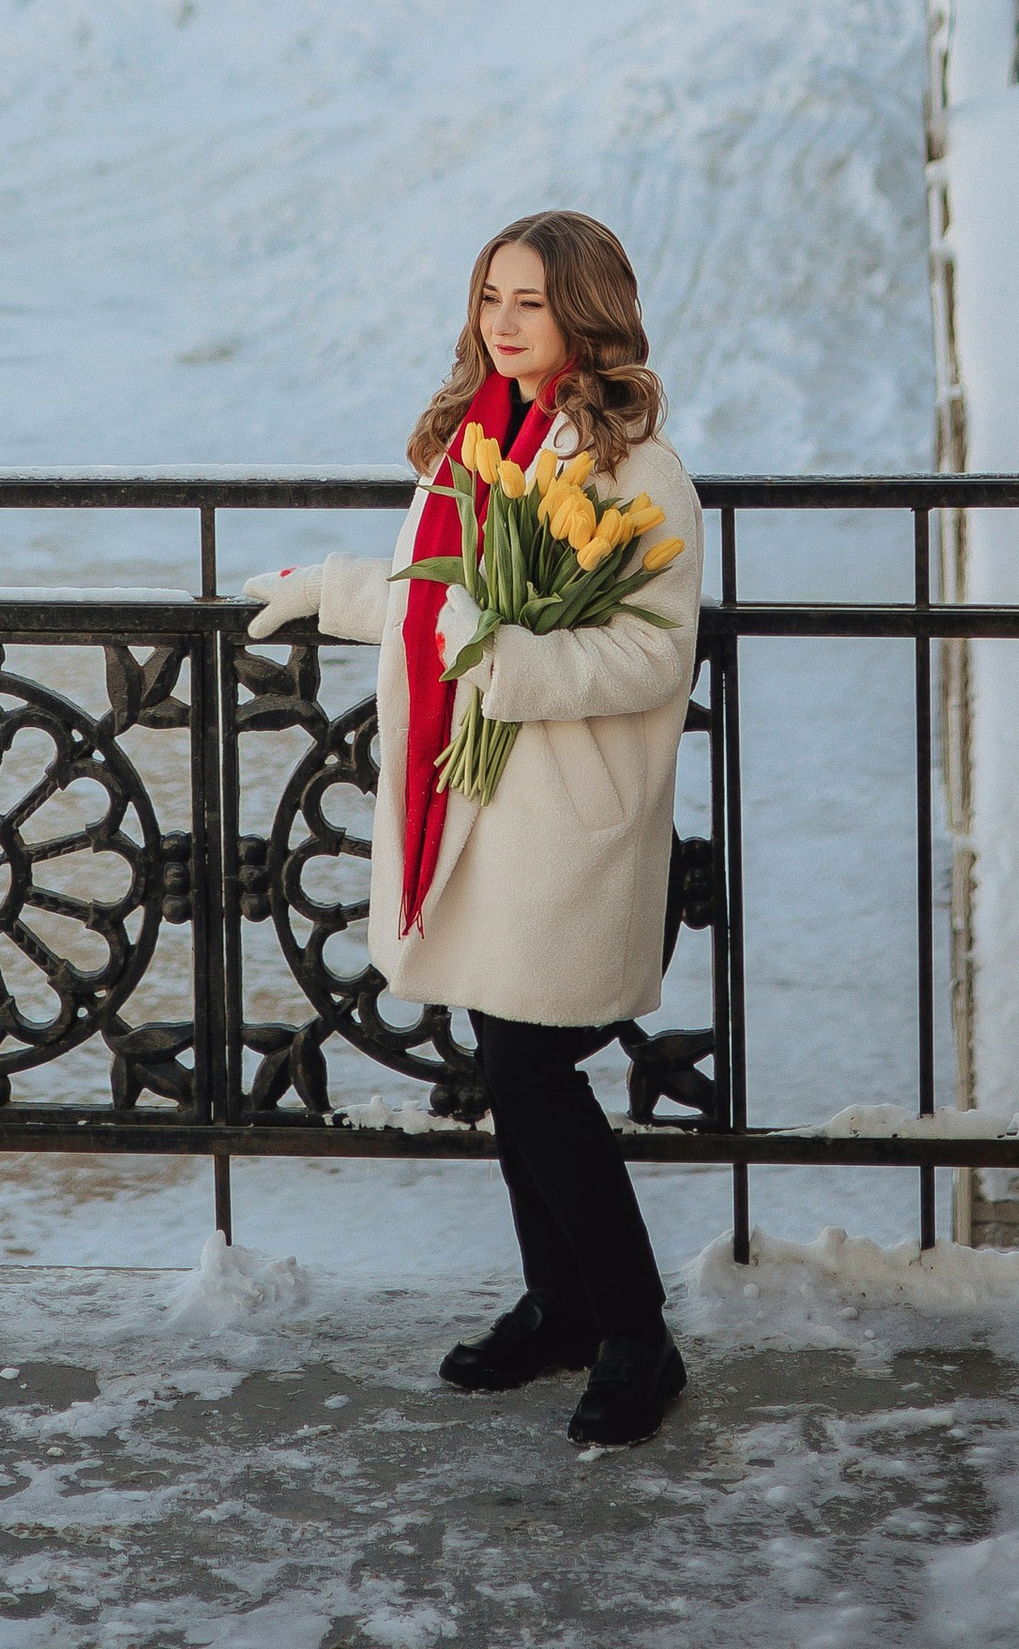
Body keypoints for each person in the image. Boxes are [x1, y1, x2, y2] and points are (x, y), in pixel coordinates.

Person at [242, 209, 703, 1448]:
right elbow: (434, 591)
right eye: (491, 297)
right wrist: (331, 591)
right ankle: (562, 1308)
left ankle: (634, 1330)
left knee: (532, 1068)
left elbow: (653, 655)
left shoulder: (634, 469)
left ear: (586, 313)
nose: (503, 323)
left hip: (563, 820)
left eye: (531, 303)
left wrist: (511, 660)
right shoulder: (475, 440)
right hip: (473, 798)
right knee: (509, 1061)